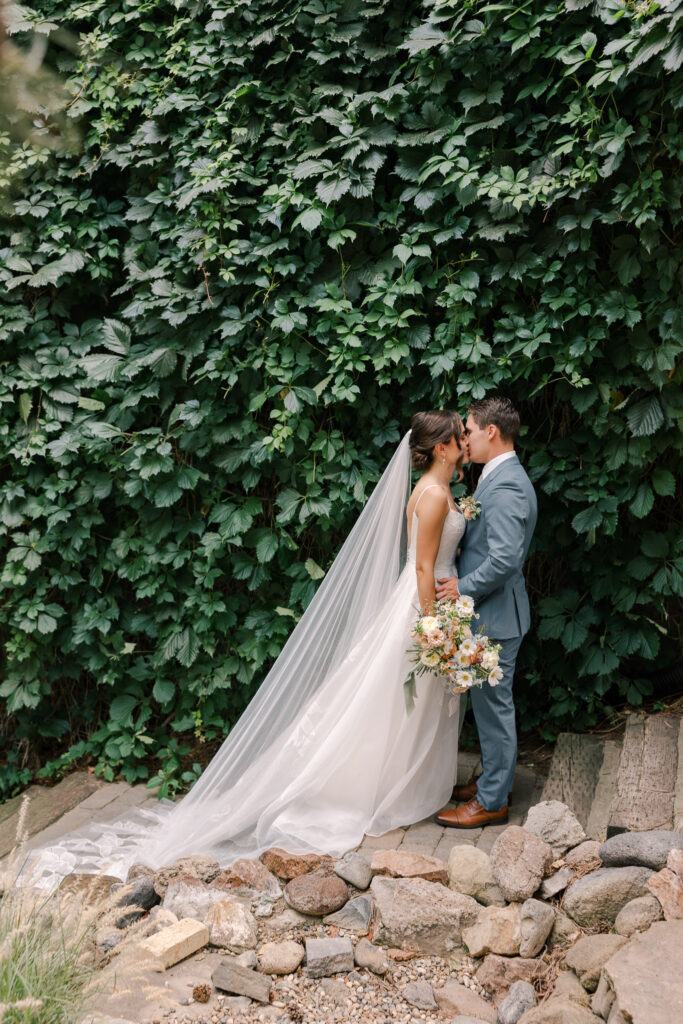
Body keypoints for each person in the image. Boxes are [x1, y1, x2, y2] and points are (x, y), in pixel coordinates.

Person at [27, 411, 469, 887]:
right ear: (441, 447)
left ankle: (400, 784)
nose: (465, 442)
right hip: (420, 608)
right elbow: (423, 568)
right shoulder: (434, 495)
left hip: (429, 604)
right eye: (459, 437)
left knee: (405, 704)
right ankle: (374, 790)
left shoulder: (436, 492)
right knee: (392, 702)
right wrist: (430, 626)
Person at [433, 396, 537, 829]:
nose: (465, 440)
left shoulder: (508, 484)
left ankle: (492, 801)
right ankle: (495, 782)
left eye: (470, 431)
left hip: (494, 615)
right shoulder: (497, 477)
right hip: (490, 614)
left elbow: (505, 559)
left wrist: (461, 586)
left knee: (494, 708)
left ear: (490, 431)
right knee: (489, 704)